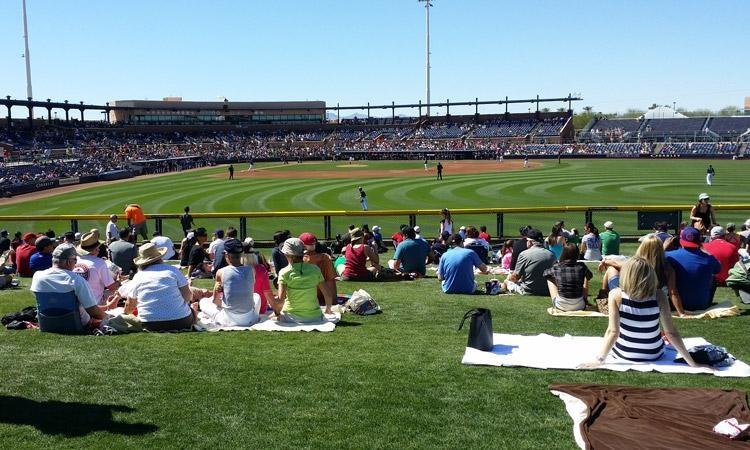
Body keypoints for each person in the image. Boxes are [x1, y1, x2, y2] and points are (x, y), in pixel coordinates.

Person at [579, 257, 704, 368]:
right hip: (654, 354)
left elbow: (613, 332)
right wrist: (692, 363)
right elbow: (670, 332)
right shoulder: (659, 295)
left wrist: (599, 360)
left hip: (624, 353)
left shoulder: (615, 295)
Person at [599, 236, 686, 316]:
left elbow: (616, 263)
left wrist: (605, 262)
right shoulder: (667, 268)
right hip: (653, 304)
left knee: (611, 269)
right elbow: (673, 292)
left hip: (629, 303)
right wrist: (681, 313)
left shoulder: (635, 263)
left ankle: (604, 300)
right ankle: (604, 299)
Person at [30, 245, 107, 328]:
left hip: (46, 323)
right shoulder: (76, 280)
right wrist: (108, 317)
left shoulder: (37, 276)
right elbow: (94, 312)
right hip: (75, 324)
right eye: (75, 260)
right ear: (68, 262)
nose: (76, 263)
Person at [125, 243, 196, 332]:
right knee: (193, 310)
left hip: (149, 323)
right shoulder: (172, 271)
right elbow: (188, 296)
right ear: (160, 257)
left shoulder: (138, 276)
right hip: (180, 321)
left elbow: (131, 306)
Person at [198, 238, 259, 327]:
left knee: (203, 301)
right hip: (249, 318)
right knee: (257, 296)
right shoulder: (251, 270)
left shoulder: (221, 272)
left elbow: (216, 301)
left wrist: (218, 293)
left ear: (227, 255)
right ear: (241, 254)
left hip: (228, 320)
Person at [271, 238, 333, 323]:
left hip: (290, 317)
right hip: (315, 317)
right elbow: (328, 294)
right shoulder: (315, 269)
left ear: (286, 254)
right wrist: (328, 310)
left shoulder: (284, 272)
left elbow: (280, 301)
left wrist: (277, 313)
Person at [666, 227, 720, 311]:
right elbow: (718, 269)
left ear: (681, 241)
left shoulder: (668, 255)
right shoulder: (709, 259)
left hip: (674, 304)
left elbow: (653, 261)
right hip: (702, 305)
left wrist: (664, 247)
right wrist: (704, 250)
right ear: (699, 242)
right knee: (713, 278)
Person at [501, 229, 556, 296]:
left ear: (530, 242)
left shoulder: (524, 254)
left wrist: (508, 278)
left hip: (529, 290)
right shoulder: (552, 255)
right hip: (548, 290)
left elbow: (515, 277)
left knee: (507, 282)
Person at [75, 231, 120, 306]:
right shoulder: (100, 262)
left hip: (77, 303)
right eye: (97, 248)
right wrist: (119, 281)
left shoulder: (76, 259)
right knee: (119, 292)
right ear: (95, 249)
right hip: (95, 305)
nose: (99, 250)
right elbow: (112, 287)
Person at [544, 244, 592, 311]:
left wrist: (558, 281)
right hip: (580, 305)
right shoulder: (582, 266)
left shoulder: (557, 267)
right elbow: (590, 276)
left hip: (561, 305)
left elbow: (545, 274)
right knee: (586, 277)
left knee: (549, 278)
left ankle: (558, 296)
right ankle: (585, 299)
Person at [300, 232, 337, 305]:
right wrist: (334, 301)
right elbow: (331, 281)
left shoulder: (299, 259)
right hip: (323, 297)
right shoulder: (325, 258)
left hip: (305, 300)